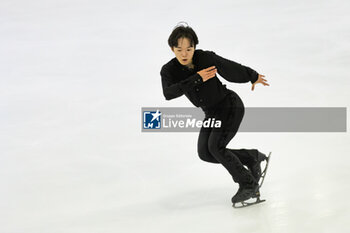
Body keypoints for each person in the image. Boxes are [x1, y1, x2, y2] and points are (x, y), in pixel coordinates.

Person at [160, 23, 270, 205]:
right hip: (211, 113)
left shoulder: (205, 58)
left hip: (229, 106)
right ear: (172, 49)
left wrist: (252, 75)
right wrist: (198, 77)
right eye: (179, 49)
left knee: (215, 147)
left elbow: (228, 68)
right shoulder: (169, 70)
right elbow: (168, 93)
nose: (185, 54)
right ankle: (251, 157)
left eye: (189, 48)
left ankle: (248, 184)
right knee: (205, 152)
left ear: (195, 46)